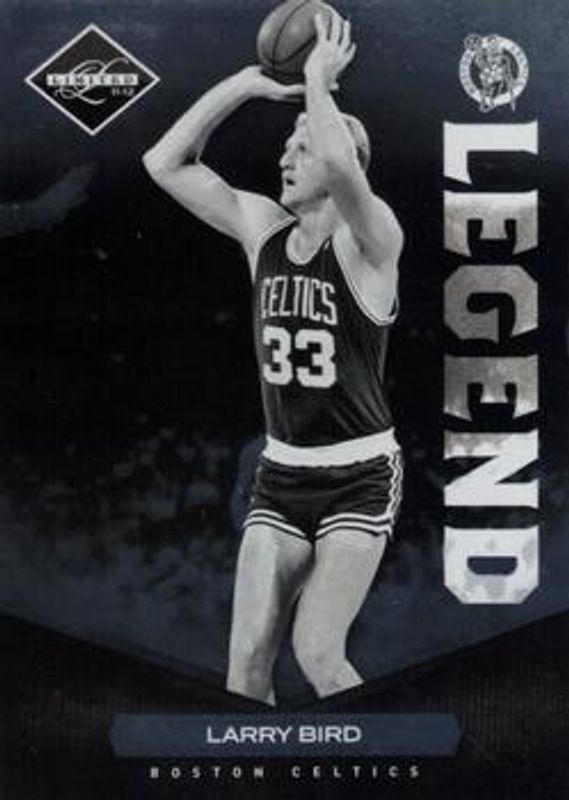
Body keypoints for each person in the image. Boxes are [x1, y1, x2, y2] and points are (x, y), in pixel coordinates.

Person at [143, 13, 404, 703]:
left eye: (302, 146)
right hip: (281, 474)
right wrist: (245, 85)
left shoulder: (372, 242)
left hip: (359, 475)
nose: (285, 157)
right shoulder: (263, 228)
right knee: (247, 666)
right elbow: (163, 164)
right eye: (287, 145)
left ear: (343, 163)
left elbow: (343, 165)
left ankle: (385, 761)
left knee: (317, 651)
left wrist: (318, 84)